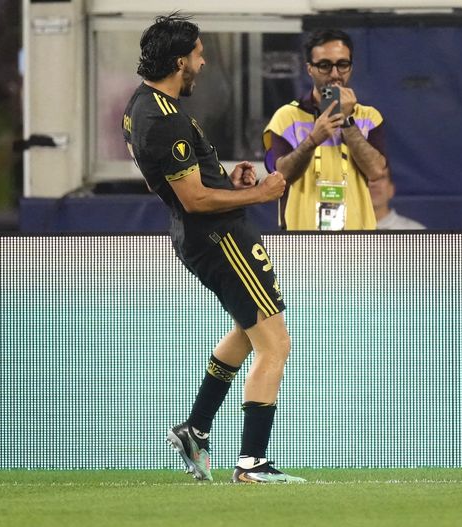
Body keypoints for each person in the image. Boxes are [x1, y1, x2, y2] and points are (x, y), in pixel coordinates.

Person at [122, 13, 304, 484]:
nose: (203, 63)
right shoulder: (162, 118)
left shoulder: (139, 106)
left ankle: (196, 429)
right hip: (220, 236)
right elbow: (194, 198)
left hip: (199, 236)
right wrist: (259, 194)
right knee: (276, 344)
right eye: (200, 55)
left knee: (249, 332)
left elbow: (163, 183)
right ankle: (252, 463)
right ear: (181, 60)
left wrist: (228, 178)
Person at [263, 28, 389, 230]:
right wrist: (313, 140)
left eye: (342, 65)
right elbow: (281, 177)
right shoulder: (286, 117)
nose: (334, 74)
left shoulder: (369, 117)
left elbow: (375, 171)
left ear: (351, 67)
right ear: (309, 69)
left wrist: (347, 121)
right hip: (301, 239)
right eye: (324, 66)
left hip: (357, 240)